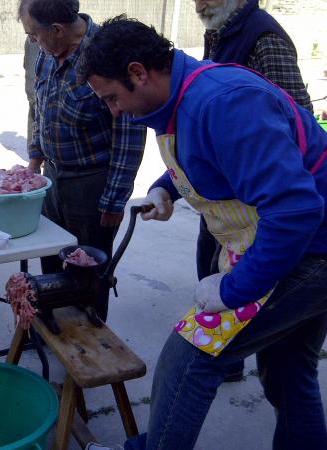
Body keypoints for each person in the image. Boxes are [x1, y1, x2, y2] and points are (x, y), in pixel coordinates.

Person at [78, 15, 327, 450]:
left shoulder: (225, 103)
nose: (113, 111)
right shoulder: (182, 95)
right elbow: (211, 154)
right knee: (288, 369)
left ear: (138, 72)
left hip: (313, 247)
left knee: (190, 356)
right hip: (300, 239)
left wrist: (235, 288)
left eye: (113, 98)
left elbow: (296, 210)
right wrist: (164, 187)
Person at [193, 0, 314, 382]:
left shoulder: (263, 36)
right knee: (213, 269)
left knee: (285, 365)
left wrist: (250, 167)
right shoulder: (220, 29)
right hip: (228, 204)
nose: (200, 2)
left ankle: (221, 360)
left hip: (261, 207)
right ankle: (227, 362)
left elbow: (297, 112)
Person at [17, 0, 147, 321]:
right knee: (50, 260)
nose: (33, 41)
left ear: (57, 30)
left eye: (34, 35)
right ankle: (54, 329)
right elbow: (40, 106)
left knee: (87, 270)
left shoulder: (106, 53)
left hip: (92, 184)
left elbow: (130, 133)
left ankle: (90, 344)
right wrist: (35, 159)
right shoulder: (47, 54)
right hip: (52, 178)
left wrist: (115, 198)